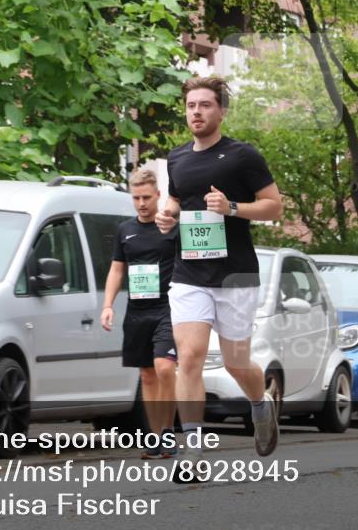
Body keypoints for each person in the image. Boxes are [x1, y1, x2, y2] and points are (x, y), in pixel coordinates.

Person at [155, 75, 284, 475]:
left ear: (222, 111)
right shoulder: (177, 158)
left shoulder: (243, 156)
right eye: (191, 105)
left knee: (236, 363)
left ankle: (260, 405)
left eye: (205, 105)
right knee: (190, 357)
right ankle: (193, 449)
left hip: (235, 276)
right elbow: (175, 197)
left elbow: (274, 206)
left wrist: (232, 208)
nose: (196, 112)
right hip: (189, 272)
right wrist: (167, 214)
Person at [102, 169, 179, 459]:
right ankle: (155, 436)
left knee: (164, 367)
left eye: (146, 197)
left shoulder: (171, 228)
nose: (142, 203)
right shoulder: (125, 230)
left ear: (158, 195)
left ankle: (168, 431)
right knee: (147, 375)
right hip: (137, 311)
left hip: (167, 308)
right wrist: (107, 305)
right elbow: (117, 269)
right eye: (136, 198)